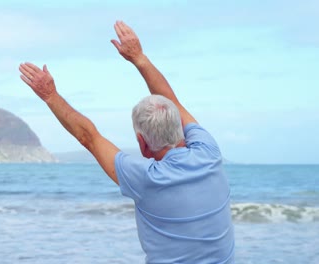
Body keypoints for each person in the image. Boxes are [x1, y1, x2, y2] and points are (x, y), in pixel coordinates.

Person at [19, 21, 234, 264]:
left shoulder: (147, 178)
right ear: (179, 127)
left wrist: (50, 96)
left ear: (142, 144)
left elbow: (88, 137)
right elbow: (171, 100)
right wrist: (139, 58)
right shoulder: (209, 151)